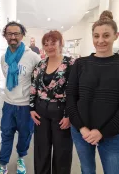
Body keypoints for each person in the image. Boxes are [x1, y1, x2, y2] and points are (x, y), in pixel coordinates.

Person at [67, 10, 119, 174]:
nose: (100, 40)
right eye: (96, 36)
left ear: (116, 35)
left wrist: (102, 132)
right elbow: (71, 97)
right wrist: (82, 128)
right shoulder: (80, 64)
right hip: (81, 132)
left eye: (106, 35)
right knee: (87, 170)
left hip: (112, 134)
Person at [0, 21, 40, 174]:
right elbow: (6, 75)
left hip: (26, 107)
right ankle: (3, 164)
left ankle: (21, 157)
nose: (13, 37)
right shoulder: (3, 58)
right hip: (8, 104)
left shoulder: (33, 57)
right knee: (6, 134)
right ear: (5, 36)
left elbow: (38, 80)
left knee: (25, 135)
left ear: (22, 35)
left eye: (16, 34)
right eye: (9, 33)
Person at [30, 30, 74, 174]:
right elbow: (33, 87)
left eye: (53, 43)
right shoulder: (40, 64)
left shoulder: (71, 64)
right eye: (46, 44)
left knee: (62, 151)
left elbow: (75, 92)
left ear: (60, 43)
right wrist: (32, 108)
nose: (49, 47)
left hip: (61, 112)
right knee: (41, 149)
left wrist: (69, 115)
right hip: (41, 110)